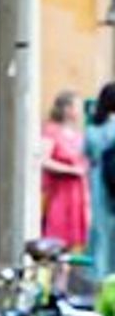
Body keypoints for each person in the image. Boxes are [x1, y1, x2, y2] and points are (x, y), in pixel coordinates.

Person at [41, 89, 90, 253]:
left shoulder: (77, 134)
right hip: (59, 194)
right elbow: (44, 160)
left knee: (72, 245)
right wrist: (70, 170)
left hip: (77, 195)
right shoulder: (51, 131)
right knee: (55, 240)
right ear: (68, 109)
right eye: (78, 107)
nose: (80, 112)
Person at [84, 84, 115, 280]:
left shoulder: (93, 129)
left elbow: (86, 152)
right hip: (110, 184)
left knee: (100, 233)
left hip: (97, 183)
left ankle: (101, 278)